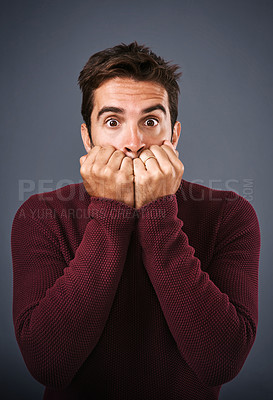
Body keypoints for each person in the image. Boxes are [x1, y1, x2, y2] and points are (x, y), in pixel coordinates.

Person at [11, 42, 261, 400]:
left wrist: (157, 211)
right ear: (88, 137)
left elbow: (220, 363)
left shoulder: (229, 214)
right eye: (113, 122)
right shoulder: (42, 215)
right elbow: (49, 365)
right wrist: (111, 212)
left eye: (150, 121)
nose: (133, 142)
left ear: (173, 135)